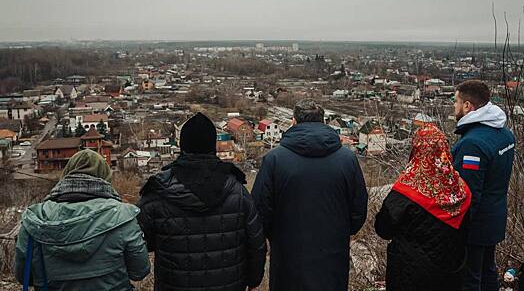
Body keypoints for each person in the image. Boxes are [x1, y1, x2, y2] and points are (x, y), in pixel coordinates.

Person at [137, 112, 266, 291]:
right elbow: (256, 244)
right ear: (212, 145)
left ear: (183, 145)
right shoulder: (237, 191)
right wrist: (253, 280)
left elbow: (141, 241)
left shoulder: (158, 191)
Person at [252, 99, 368, 291]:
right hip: (333, 256)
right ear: (323, 122)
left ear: (293, 122)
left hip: (288, 257)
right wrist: (339, 232)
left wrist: (276, 237)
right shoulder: (347, 159)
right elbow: (358, 210)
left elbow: (260, 212)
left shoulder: (274, 159)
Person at [15, 149, 150, 291]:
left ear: (66, 174)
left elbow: (24, 276)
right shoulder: (123, 217)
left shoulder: (36, 219)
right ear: (105, 176)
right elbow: (139, 271)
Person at [375, 124, 472, 291]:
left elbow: (383, 229)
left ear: (416, 150)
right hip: (451, 273)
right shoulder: (460, 190)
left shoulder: (406, 190)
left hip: (409, 275)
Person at [452, 80, 516, 291]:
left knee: (469, 278)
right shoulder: (504, 133)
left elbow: (468, 193)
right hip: (495, 217)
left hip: (475, 225)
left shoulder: (473, 144)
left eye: (457, 102)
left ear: (468, 106)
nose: (455, 107)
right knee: (488, 270)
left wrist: (457, 230)